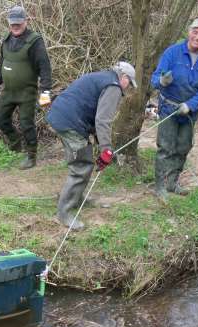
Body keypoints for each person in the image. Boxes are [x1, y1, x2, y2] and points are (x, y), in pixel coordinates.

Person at [46, 61, 137, 230]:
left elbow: (94, 113)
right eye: (130, 83)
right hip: (69, 122)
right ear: (123, 77)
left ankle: (76, 197)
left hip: (60, 115)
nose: (128, 88)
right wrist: (106, 149)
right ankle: (63, 212)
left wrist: (98, 141)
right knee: (81, 166)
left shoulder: (101, 76)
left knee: (84, 156)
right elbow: (103, 120)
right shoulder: (114, 87)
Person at [151, 17, 198, 200]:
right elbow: (155, 79)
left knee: (183, 148)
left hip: (189, 112)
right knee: (165, 148)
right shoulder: (172, 53)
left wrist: (191, 105)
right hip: (168, 109)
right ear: (189, 32)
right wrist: (162, 81)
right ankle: (160, 186)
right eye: (195, 32)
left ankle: (172, 183)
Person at [0, 5, 52, 170]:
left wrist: (45, 91)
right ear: (8, 23)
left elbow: (45, 67)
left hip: (27, 92)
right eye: (12, 24)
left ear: (26, 21)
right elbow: (3, 62)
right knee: (0, 118)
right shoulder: (6, 39)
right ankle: (16, 144)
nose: (15, 27)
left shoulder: (35, 41)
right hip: (8, 91)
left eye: (18, 23)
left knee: (26, 124)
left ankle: (31, 156)